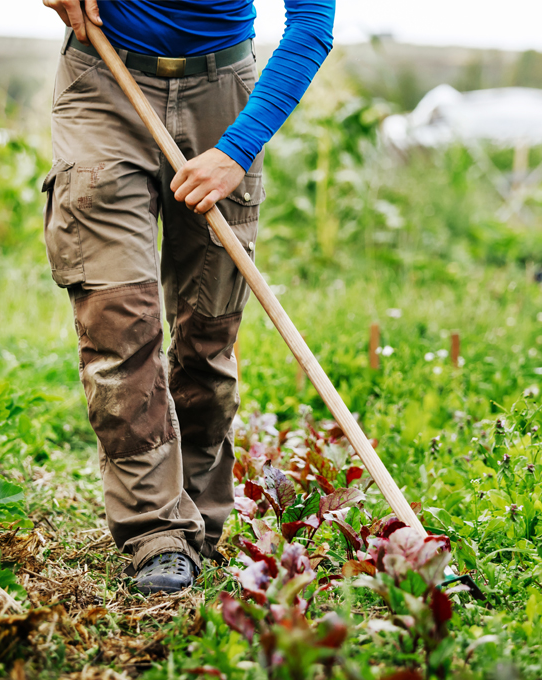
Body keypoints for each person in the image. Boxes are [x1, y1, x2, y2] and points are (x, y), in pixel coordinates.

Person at [40, 0, 334, 594]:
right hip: (105, 78)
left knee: (209, 329)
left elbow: (311, 25)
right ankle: (158, 533)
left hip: (224, 95)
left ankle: (201, 512)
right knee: (117, 323)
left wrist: (237, 149)